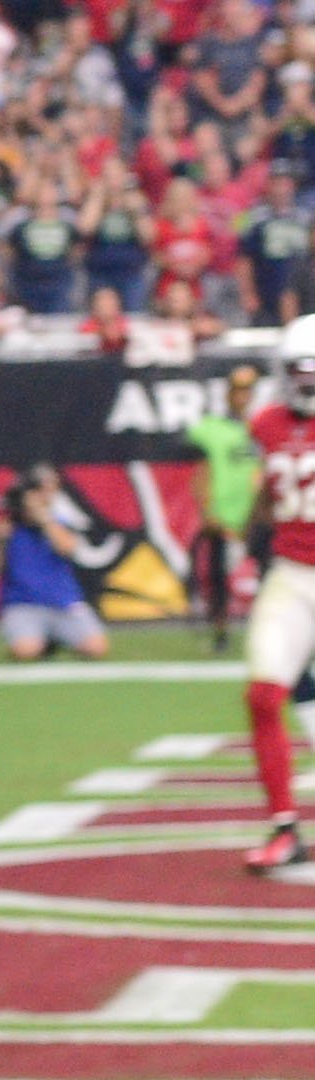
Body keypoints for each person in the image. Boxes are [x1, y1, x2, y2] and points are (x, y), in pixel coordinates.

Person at [228, 317, 315, 870]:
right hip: (292, 570)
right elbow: (266, 494)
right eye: (298, 371)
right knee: (263, 697)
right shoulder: (266, 423)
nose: (305, 381)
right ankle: (285, 826)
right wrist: (247, 552)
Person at [0, 465, 115, 660]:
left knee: (97, 647)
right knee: (26, 651)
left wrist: (45, 519)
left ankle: (54, 639)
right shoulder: (11, 526)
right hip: (23, 604)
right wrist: (0, 542)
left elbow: (67, 548)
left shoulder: (58, 521)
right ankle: (41, 642)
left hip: (63, 603)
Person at [190, 367, 260, 651]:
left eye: (247, 390)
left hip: (256, 515)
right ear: (228, 393)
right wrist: (208, 511)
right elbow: (200, 471)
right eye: (238, 390)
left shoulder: (260, 426)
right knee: (218, 578)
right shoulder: (211, 428)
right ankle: (220, 632)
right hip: (223, 516)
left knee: (271, 575)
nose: (242, 396)